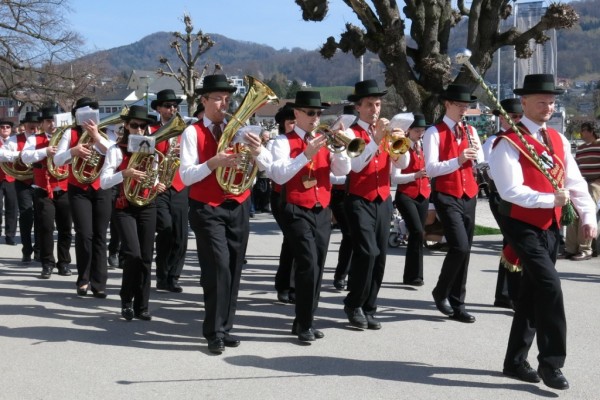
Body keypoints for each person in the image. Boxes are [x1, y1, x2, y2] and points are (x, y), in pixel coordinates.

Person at [489, 74, 597, 390]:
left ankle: (514, 360)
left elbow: (575, 183)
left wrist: (588, 215)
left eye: (551, 101)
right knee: (550, 287)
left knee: (532, 293)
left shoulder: (559, 140)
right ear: (523, 103)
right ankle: (551, 364)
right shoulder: (506, 142)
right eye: (541, 100)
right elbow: (509, 191)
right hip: (521, 224)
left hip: (550, 225)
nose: (547, 106)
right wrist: (551, 199)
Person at [180, 74, 270, 353]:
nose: (223, 104)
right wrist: (213, 162)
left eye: (227, 99)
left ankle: (226, 326)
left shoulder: (240, 129)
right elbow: (185, 176)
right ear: (203, 101)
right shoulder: (192, 132)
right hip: (207, 207)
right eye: (217, 98)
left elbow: (265, 168)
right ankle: (214, 331)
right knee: (218, 266)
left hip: (238, 203)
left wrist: (257, 150)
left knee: (233, 267)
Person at [270, 90, 351, 342]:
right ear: (297, 113)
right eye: (310, 113)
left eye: (318, 113)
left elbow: (343, 172)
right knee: (306, 262)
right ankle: (304, 322)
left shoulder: (325, 139)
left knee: (317, 265)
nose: (316, 118)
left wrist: (340, 148)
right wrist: (305, 155)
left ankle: (304, 320)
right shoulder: (281, 142)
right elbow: (279, 175)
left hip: (321, 208)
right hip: (295, 207)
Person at [342, 80, 409, 331]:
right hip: (359, 199)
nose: (375, 109)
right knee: (367, 252)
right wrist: (376, 139)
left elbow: (402, 164)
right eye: (369, 105)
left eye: (378, 104)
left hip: (383, 199)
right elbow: (355, 165)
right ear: (358, 107)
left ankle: (369, 307)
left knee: (380, 256)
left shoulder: (387, 131)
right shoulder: (351, 133)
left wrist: (399, 142)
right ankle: (353, 303)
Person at [423, 83, 483, 323]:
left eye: (466, 105)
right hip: (446, 194)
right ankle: (440, 291)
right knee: (459, 246)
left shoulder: (470, 130)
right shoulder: (433, 132)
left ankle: (458, 304)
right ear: (447, 104)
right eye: (459, 105)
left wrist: (478, 158)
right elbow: (431, 168)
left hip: (469, 194)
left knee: (465, 250)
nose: (463, 109)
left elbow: (479, 162)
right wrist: (458, 160)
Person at [100, 105, 164, 321]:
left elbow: (153, 175)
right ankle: (126, 299)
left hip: (147, 204)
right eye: (134, 125)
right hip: (124, 207)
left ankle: (142, 305)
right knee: (133, 255)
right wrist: (124, 174)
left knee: (146, 257)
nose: (139, 130)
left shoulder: (151, 149)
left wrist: (157, 183)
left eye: (143, 126)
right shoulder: (115, 150)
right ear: (126, 126)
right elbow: (103, 181)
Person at [54, 97, 113, 298]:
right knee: (84, 234)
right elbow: (57, 159)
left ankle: (99, 283)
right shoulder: (70, 133)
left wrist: (96, 136)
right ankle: (83, 279)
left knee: (100, 235)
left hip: (101, 187)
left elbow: (113, 155)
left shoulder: (106, 132)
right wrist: (73, 150)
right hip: (78, 188)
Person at [21, 107, 72, 279]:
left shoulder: (67, 137)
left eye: (55, 121)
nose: (52, 125)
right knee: (45, 227)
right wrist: (45, 151)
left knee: (65, 227)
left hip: (64, 187)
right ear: (42, 123)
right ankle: (47, 263)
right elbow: (25, 157)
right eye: (49, 121)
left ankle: (64, 262)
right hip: (43, 188)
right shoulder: (35, 138)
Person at [482, 98, 523, 310]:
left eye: (518, 117)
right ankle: (510, 295)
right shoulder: (494, 142)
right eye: (512, 117)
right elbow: (491, 171)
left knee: (512, 242)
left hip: (520, 198)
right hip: (502, 197)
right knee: (513, 242)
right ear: (501, 118)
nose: (515, 120)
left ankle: (505, 294)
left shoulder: (523, 139)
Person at [150, 89, 188, 293]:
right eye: (167, 106)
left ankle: (173, 276)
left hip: (180, 186)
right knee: (166, 230)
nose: (171, 109)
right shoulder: (151, 130)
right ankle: (161, 274)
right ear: (158, 108)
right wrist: (155, 181)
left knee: (181, 236)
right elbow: (145, 159)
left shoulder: (185, 132)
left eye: (174, 106)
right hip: (160, 187)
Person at [392, 113, 430, 286]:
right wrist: (414, 175)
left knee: (419, 234)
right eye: (417, 131)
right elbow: (395, 178)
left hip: (423, 195)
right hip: (406, 195)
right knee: (416, 231)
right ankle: (414, 276)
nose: (420, 133)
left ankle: (414, 275)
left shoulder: (423, 146)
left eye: (422, 130)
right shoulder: (402, 146)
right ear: (408, 131)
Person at [562, 121, 600, 261]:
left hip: (595, 184)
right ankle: (570, 248)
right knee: (572, 212)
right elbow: (575, 168)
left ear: (592, 131)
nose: (581, 133)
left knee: (586, 214)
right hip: (581, 183)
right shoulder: (581, 148)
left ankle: (585, 249)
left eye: (583, 130)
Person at [270, 103, 296, 303]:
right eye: (291, 122)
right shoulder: (277, 143)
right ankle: (284, 284)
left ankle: (293, 284)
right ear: (282, 124)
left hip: (300, 195)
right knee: (291, 239)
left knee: (296, 241)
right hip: (281, 196)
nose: (294, 125)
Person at [330, 104, 356, 291]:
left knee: (357, 236)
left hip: (355, 193)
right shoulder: (334, 142)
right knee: (349, 234)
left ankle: (352, 274)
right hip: (339, 193)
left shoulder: (356, 138)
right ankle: (341, 275)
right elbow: (329, 174)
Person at [14, 112, 39, 262]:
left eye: (37, 127)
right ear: (24, 126)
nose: (34, 130)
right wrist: (22, 155)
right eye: (31, 127)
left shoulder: (43, 139)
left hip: (41, 181)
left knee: (41, 217)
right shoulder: (14, 139)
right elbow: (2, 153)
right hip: (23, 182)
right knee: (26, 215)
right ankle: (26, 249)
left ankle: (38, 249)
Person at [0, 119, 19, 247]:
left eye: (7, 127)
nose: (5, 129)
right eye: (2, 127)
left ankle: (10, 235)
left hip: (12, 178)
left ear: (11, 129)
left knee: (12, 208)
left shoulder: (15, 141)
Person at [252, 129, 272, 213]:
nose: (268, 138)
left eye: (269, 136)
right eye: (267, 136)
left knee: (266, 191)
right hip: (261, 173)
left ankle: (264, 206)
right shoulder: (260, 144)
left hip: (267, 173)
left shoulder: (269, 143)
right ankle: (259, 206)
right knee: (261, 190)